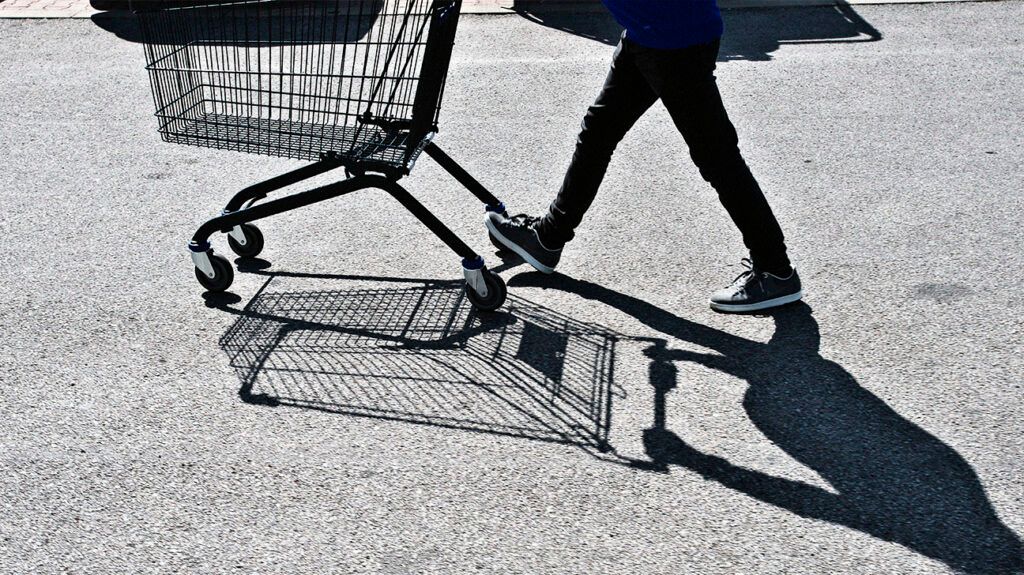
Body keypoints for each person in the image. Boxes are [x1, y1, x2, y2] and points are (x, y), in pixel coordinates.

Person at [486, 0, 802, 313]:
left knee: (717, 157)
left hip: (672, 38)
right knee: (599, 132)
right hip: (653, 30)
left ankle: (775, 270)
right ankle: (548, 238)